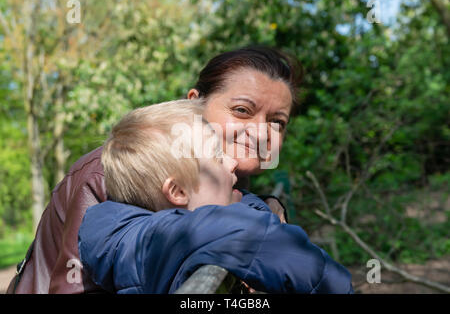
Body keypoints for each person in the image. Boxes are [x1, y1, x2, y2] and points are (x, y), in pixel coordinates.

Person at [8, 46, 301, 294]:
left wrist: (265, 205)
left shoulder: (229, 171)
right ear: (195, 104)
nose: (261, 133)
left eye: (277, 121)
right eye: (242, 111)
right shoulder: (110, 173)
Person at [78, 99, 353, 293]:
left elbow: (236, 212)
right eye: (219, 157)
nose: (232, 163)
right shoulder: (162, 239)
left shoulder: (123, 230)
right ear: (177, 192)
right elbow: (248, 233)